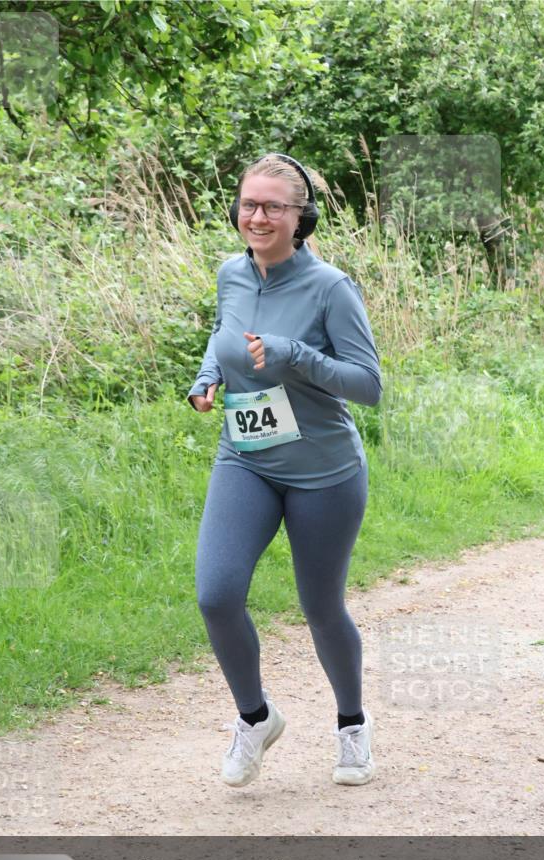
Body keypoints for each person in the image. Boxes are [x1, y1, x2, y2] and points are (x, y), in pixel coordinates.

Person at [187, 153, 382, 789]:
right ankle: (256, 718)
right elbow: (223, 335)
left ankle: (351, 725)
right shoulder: (231, 274)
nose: (259, 216)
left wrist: (295, 354)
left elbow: (368, 385)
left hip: (323, 471)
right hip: (245, 459)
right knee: (216, 595)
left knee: (321, 606)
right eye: (249, 204)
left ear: (302, 218)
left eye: (274, 206)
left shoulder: (330, 287)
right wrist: (207, 378)